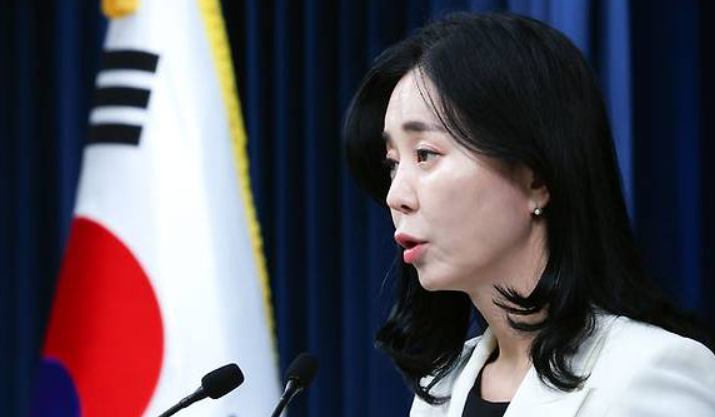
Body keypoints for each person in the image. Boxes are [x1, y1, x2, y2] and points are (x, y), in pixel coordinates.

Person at [343, 12, 715, 417]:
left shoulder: (649, 372)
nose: (396, 196)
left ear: (536, 177)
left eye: (425, 154)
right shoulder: (440, 391)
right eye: (393, 164)